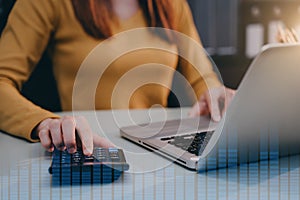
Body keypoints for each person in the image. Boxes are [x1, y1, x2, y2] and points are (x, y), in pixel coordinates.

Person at [0, 0, 235, 156]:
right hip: (90, 150)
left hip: (158, 148)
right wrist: (46, 122)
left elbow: (202, 76)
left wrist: (214, 94)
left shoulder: (171, 4)